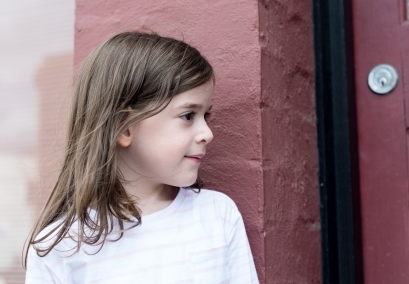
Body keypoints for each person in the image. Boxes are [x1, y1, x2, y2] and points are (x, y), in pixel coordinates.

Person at [24, 32, 258, 283]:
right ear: (124, 127)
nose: (207, 134)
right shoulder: (59, 248)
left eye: (206, 116)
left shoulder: (217, 215)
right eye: (188, 115)